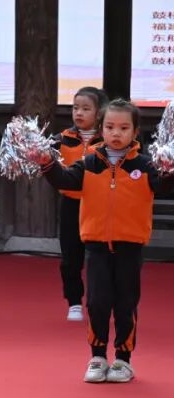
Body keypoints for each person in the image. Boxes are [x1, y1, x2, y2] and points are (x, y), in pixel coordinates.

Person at [35, 99, 174, 383]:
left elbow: (164, 186)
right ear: (101, 129)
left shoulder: (145, 165)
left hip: (129, 247)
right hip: (96, 246)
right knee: (97, 302)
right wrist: (47, 163)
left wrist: (170, 170)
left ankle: (123, 359)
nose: (116, 133)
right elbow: (64, 180)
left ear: (135, 132)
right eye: (110, 127)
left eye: (123, 128)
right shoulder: (89, 163)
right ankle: (97, 357)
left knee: (125, 304)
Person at [52, 87, 108, 322]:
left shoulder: (108, 141)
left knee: (100, 257)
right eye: (75, 108)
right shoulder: (61, 138)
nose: (79, 113)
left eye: (86, 109)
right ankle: (74, 302)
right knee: (70, 258)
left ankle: (100, 301)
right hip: (71, 205)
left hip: (98, 206)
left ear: (99, 112)